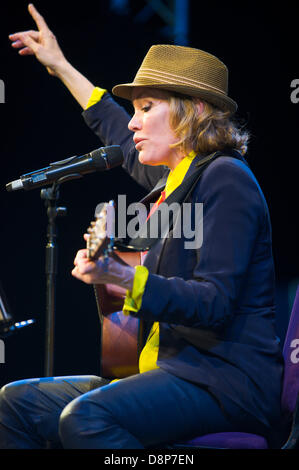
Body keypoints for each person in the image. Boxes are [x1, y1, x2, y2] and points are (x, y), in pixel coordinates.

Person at [0, 4, 284, 449]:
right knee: (17, 402)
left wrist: (122, 276)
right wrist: (59, 66)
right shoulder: (176, 180)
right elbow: (113, 126)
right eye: (134, 110)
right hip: (169, 372)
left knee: (85, 417)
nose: (133, 122)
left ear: (191, 110)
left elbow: (215, 304)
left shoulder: (226, 178)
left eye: (146, 108)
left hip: (223, 382)